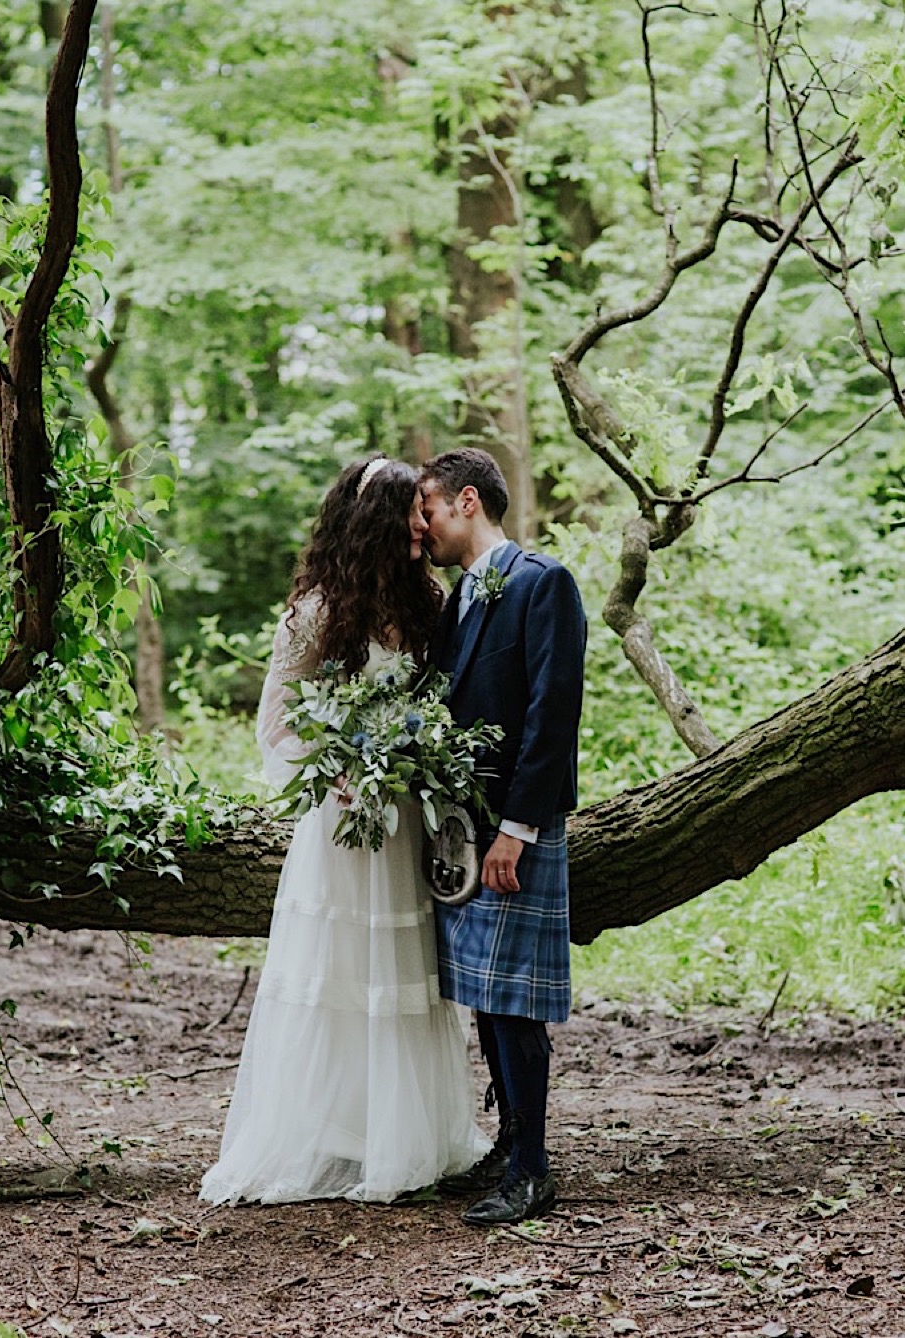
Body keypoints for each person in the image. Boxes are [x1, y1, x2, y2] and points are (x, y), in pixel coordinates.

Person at [200, 456, 490, 1205]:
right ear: (377, 523)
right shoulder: (317, 613)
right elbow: (278, 718)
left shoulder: (429, 603)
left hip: (408, 820)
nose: (424, 525)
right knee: (338, 973)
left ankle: (400, 1135)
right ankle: (331, 1133)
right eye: (413, 513)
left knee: (404, 972)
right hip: (344, 823)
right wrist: (335, 771)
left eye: (427, 512)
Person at [417, 448, 587, 1227]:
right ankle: (511, 1141)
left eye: (429, 509)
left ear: (467, 501)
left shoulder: (543, 582)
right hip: (465, 829)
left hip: (517, 826)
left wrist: (517, 828)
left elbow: (553, 712)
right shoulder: (459, 598)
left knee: (514, 999)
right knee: (486, 995)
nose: (424, 526)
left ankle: (533, 1171)